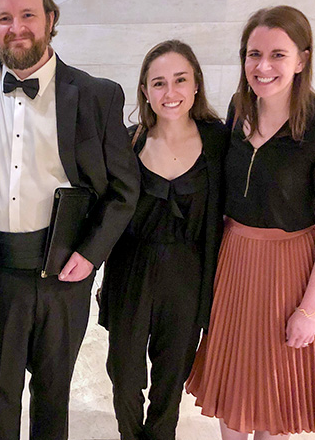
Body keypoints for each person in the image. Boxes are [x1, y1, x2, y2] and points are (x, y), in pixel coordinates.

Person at [0, 0, 139, 440]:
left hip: (65, 271)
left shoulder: (97, 95)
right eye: (3, 18)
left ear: (51, 19)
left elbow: (124, 190)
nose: (17, 27)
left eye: (29, 15)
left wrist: (91, 254)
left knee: (53, 393)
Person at [187, 5, 315, 439]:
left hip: (289, 269)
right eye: (253, 53)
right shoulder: (239, 108)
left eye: (278, 54)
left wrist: (309, 310)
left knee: (274, 394)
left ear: (302, 60)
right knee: (233, 384)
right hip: (235, 260)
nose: (263, 66)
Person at [99, 40, 227, 440]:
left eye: (179, 80)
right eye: (158, 83)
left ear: (195, 85)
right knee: (124, 374)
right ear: (145, 90)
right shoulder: (126, 142)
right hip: (130, 272)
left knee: (171, 379)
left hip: (188, 276)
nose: (169, 93)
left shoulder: (219, 142)